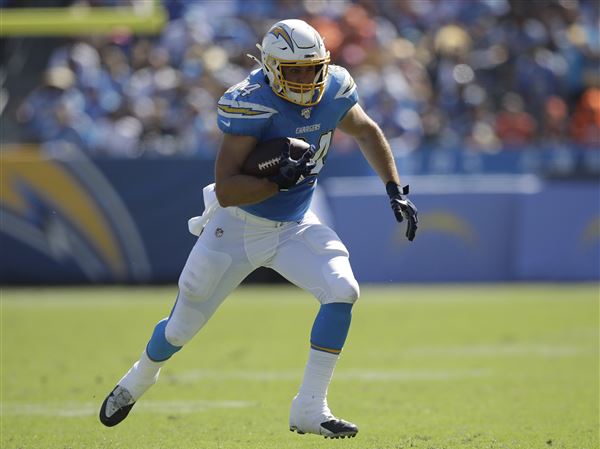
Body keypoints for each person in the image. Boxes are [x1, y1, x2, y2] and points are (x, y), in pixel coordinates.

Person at [99, 19, 418, 439]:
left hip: (296, 224)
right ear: (270, 67)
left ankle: (310, 407)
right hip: (237, 227)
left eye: (312, 68)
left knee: (343, 290)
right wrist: (273, 179)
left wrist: (394, 189)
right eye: (294, 70)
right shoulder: (248, 102)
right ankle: (139, 378)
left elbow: (366, 130)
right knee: (180, 328)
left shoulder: (336, 87)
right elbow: (228, 190)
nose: (306, 79)